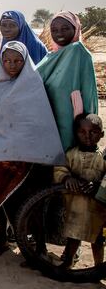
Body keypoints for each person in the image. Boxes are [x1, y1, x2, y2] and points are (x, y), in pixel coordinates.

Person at [0, 41, 66, 255]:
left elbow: (40, 122)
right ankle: (1, 237)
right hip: (1, 154)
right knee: (0, 200)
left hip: (30, 158)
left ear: (26, 61)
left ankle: (39, 246)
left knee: (31, 204)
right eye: (7, 60)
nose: (12, 65)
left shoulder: (34, 86)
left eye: (17, 61)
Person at [37, 12, 98, 151]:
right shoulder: (51, 56)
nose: (59, 33)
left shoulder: (79, 52)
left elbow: (90, 93)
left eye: (65, 28)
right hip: (50, 113)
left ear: (75, 29)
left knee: (68, 151)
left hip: (71, 114)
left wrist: (90, 122)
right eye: (54, 30)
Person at [54, 114, 105, 267]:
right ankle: (68, 261)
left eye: (93, 132)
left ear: (101, 134)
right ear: (75, 134)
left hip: (98, 210)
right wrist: (67, 178)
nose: (87, 136)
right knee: (73, 236)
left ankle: (98, 268)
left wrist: (97, 186)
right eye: (82, 132)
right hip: (75, 208)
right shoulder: (71, 154)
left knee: (98, 239)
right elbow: (59, 169)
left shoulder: (103, 156)